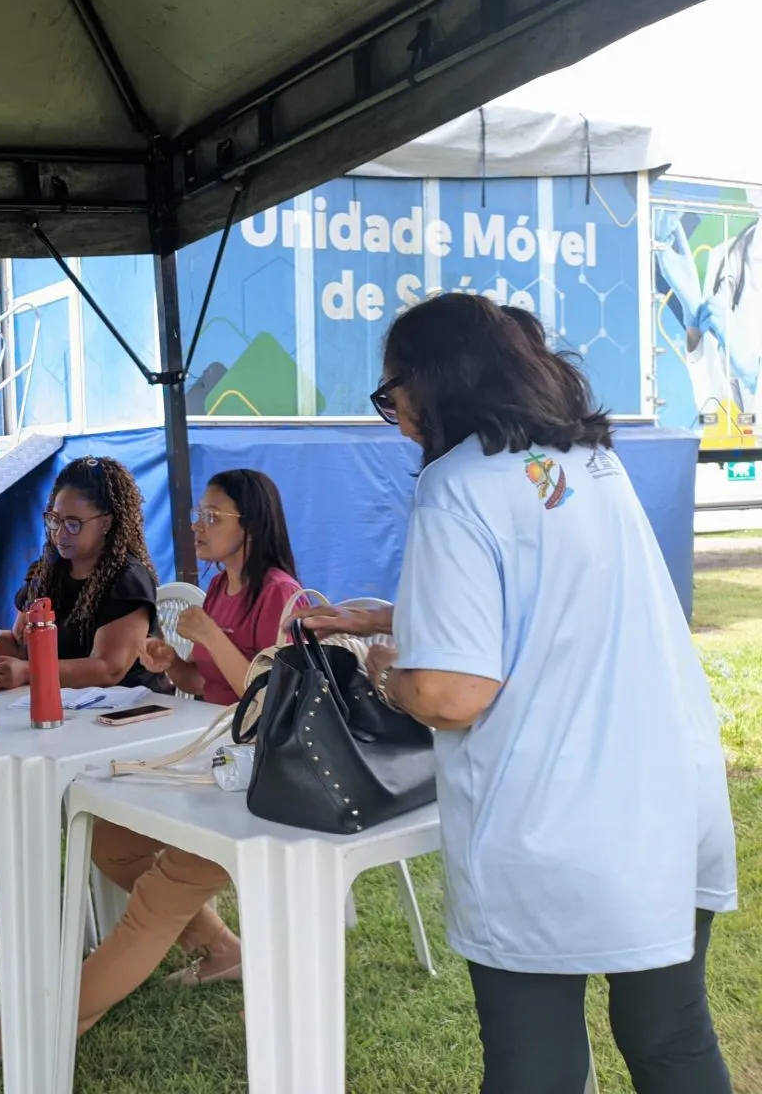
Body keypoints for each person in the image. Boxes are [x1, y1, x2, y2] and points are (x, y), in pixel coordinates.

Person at [307, 293, 737, 1094]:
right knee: (670, 1033)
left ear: (431, 381)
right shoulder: (589, 464)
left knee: (531, 1060)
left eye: (390, 392)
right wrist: (404, 614)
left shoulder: (454, 484)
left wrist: (381, 666)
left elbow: (452, 691)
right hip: (668, 802)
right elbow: (556, 612)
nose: (392, 414)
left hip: (554, 824)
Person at [0, 456, 163, 976]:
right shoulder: (46, 570)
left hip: (118, 719)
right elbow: (17, 637)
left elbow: (110, 667)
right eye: (53, 519)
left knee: (15, 772)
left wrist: (30, 672)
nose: (60, 532)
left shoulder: (127, 577)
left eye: (74, 522)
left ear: (110, 522)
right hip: (55, 711)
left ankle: (34, 920)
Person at [141, 468, 304, 709]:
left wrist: (211, 636)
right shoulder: (220, 585)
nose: (197, 526)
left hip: (253, 740)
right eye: (199, 515)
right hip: (212, 728)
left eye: (212, 517)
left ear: (251, 526)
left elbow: (273, 699)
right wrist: (172, 662)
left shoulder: (279, 593)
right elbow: (200, 682)